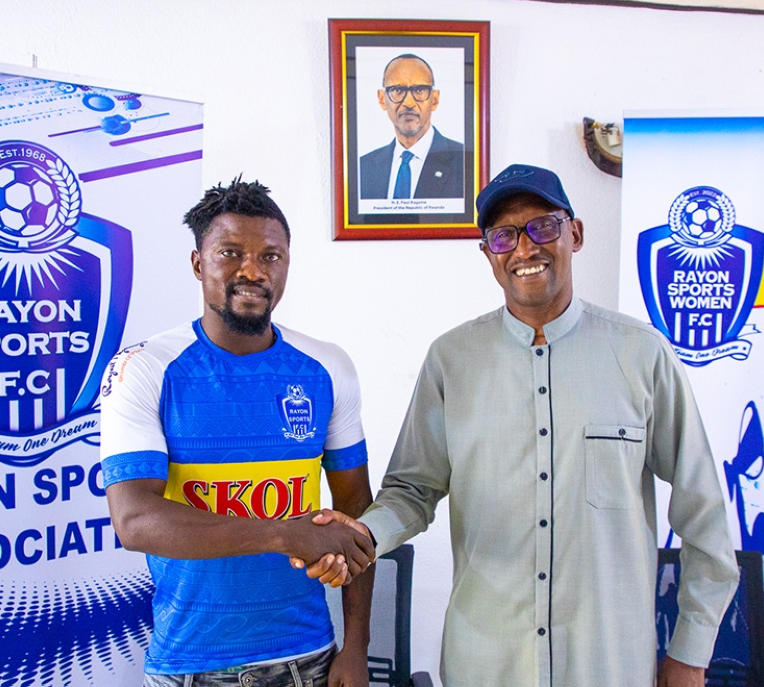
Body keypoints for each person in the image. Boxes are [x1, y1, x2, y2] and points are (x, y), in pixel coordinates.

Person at [306, 164, 739, 686]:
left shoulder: (641, 353)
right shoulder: (451, 360)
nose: (525, 248)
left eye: (543, 226)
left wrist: (691, 651)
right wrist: (364, 535)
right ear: (488, 252)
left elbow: (703, 510)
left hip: (608, 665)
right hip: (485, 664)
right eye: (504, 235)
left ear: (575, 233)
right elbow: (412, 490)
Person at [101, 177, 376, 687]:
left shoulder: (327, 367)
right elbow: (134, 520)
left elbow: (356, 509)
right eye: (230, 253)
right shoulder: (144, 368)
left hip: (308, 657)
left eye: (271, 256)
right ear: (197, 263)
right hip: (189, 665)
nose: (252, 270)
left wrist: (357, 645)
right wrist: (284, 533)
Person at [359, 53, 464, 201]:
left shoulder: (464, 163)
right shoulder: (364, 168)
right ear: (382, 99)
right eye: (397, 90)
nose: (409, 103)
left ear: (435, 99)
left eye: (419, 90)